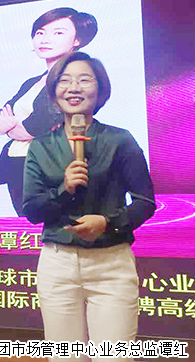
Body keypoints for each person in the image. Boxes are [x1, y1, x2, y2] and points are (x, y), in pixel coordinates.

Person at [22, 52, 155, 361]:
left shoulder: (120, 140)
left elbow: (145, 202)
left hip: (111, 263)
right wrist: (64, 189)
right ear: (54, 91)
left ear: (100, 89)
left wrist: (108, 223)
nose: (74, 88)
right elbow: (32, 209)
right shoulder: (40, 146)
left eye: (84, 80)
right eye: (65, 81)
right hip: (57, 264)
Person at [0, 7, 98, 216]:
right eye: (40, 32)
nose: (45, 39)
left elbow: (35, 126)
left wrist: (11, 124)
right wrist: (3, 123)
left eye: (58, 32)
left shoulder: (77, 78)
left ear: (77, 40)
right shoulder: (32, 82)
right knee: (26, 228)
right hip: (18, 164)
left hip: (53, 167)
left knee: (56, 227)